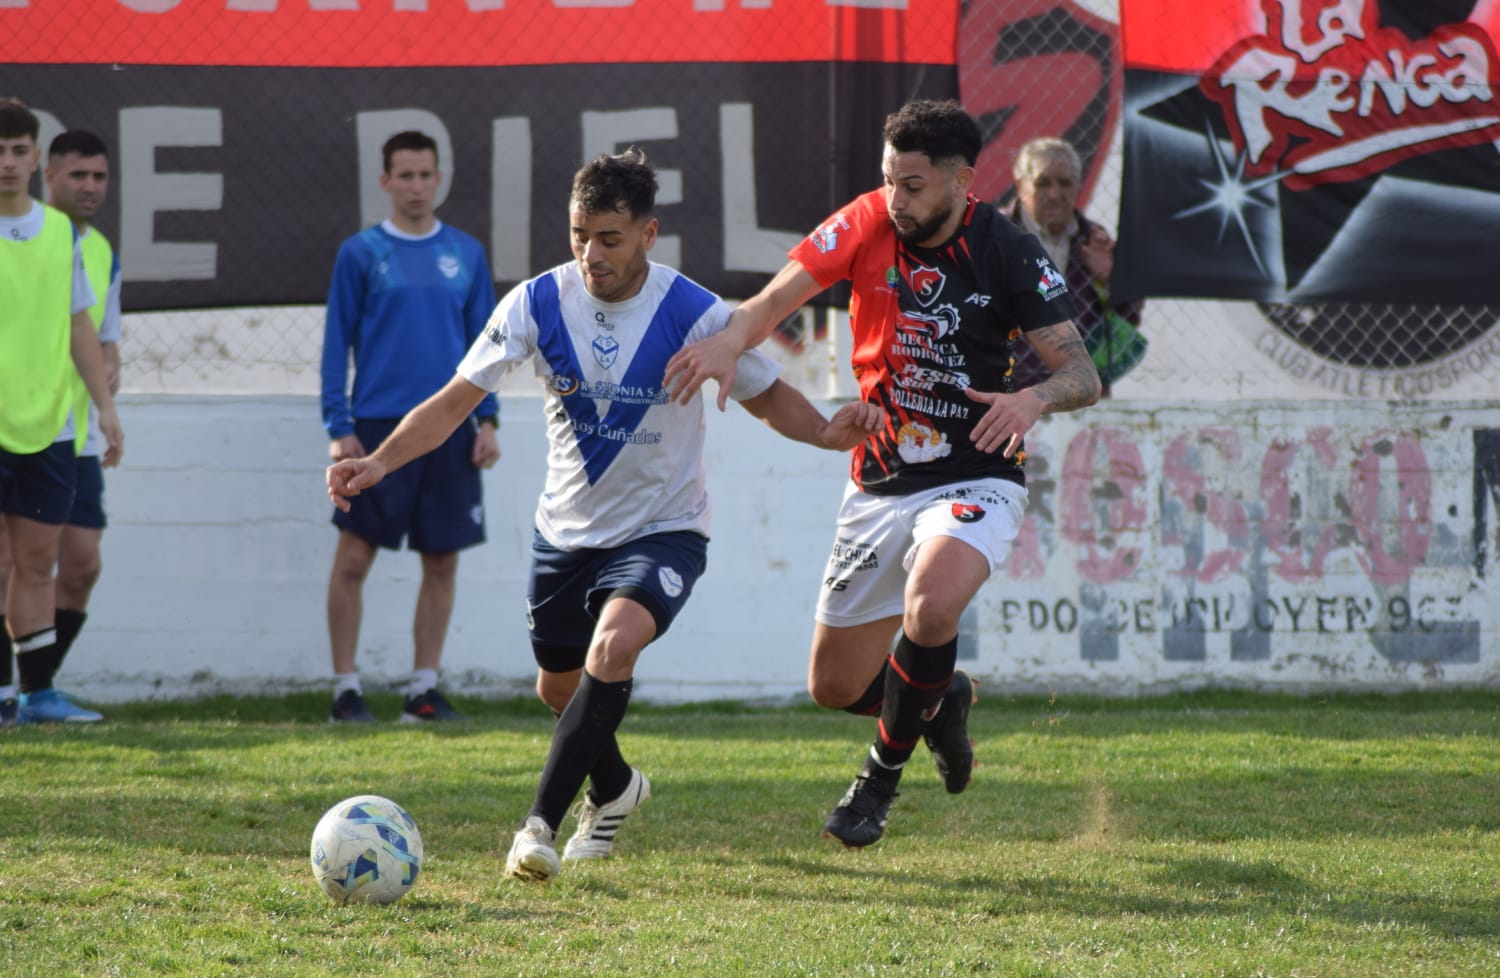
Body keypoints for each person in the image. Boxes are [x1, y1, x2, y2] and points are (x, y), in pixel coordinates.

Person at [327, 148, 880, 882]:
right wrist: (379, 461)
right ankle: (616, 787)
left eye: (609, 238)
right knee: (559, 690)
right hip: (565, 533)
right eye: (579, 235)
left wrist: (823, 431)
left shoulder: (693, 312)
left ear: (649, 234)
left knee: (611, 651)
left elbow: (768, 393)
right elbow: (455, 401)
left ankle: (537, 828)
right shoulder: (536, 302)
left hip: (664, 530)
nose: (591, 254)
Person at [662, 99, 1102, 848]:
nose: (896, 200)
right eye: (891, 181)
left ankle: (877, 782)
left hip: (977, 472)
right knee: (833, 685)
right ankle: (941, 700)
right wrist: (732, 343)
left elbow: (1083, 374)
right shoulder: (866, 220)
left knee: (930, 610)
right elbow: (772, 301)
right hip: (879, 475)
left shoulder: (1008, 250)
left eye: (915, 186)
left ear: (965, 183)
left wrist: (1031, 396)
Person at [320, 130, 500, 724]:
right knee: (353, 560)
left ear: (438, 178)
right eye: (405, 175)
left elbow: (485, 348)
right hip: (375, 428)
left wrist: (488, 421)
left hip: (450, 429)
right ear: (385, 181)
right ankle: (346, 690)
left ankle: (423, 690)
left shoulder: (467, 253)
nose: (417, 186)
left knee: (442, 560)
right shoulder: (359, 252)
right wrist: (339, 425)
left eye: (426, 174)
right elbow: (334, 345)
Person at [0, 99, 124, 726]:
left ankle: (36, 693)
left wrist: (104, 407)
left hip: (50, 425)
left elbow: (82, 323)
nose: (7, 163)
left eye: (18, 151)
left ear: (33, 159)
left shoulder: (58, 234)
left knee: (38, 563)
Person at [1004, 136, 1145, 394]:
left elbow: (1129, 319)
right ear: (1020, 185)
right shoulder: (996, 236)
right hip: (1009, 389)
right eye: (1043, 183)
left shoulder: (1093, 240)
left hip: (1077, 391)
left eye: (1065, 183)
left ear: (1079, 186)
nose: (1055, 194)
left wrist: (1111, 281)